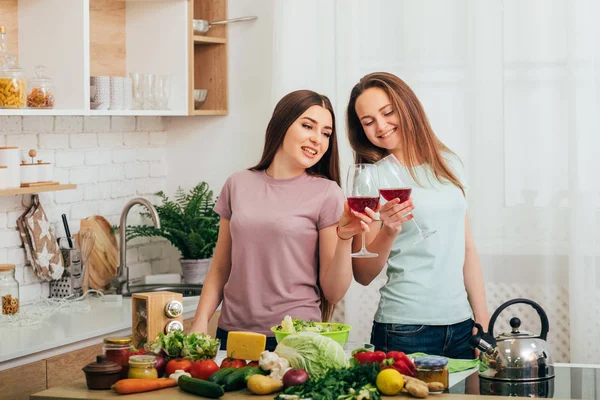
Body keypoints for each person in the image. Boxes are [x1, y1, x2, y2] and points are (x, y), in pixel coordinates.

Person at [190, 90, 372, 351]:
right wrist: (199, 323)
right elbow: (220, 269)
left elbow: (333, 293)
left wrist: (345, 239)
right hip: (232, 335)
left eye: (326, 133)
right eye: (308, 126)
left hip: (295, 339)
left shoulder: (327, 193)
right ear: (282, 123)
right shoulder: (237, 184)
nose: (317, 139)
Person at [345, 72, 488, 359]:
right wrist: (388, 230)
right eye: (368, 121)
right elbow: (363, 274)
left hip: (461, 326)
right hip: (404, 328)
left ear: (408, 107)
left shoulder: (448, 163)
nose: (381, 126)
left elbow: (467, 249)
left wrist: (482, 321)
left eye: (388, 113)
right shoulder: (371, 177)